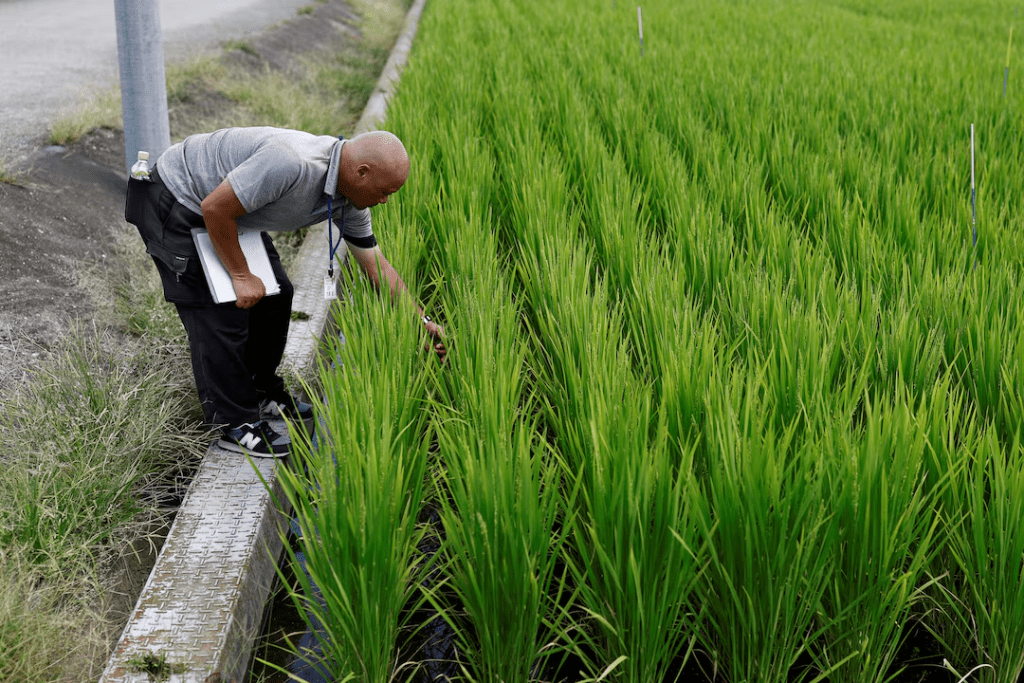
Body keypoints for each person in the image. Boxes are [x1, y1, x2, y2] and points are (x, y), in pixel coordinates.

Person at [125, 126, 445, 458]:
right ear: (361, 173)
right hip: (181, 198)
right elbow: (215, 209)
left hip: (230, 213)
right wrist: (240, 274)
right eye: (384, 191)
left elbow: (376, 265)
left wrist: (419, 322)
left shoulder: (350, 200)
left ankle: (261, 390)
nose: (385, 201)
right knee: (223, 310)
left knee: (276, 295)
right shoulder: (291, 163)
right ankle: (234, 424)